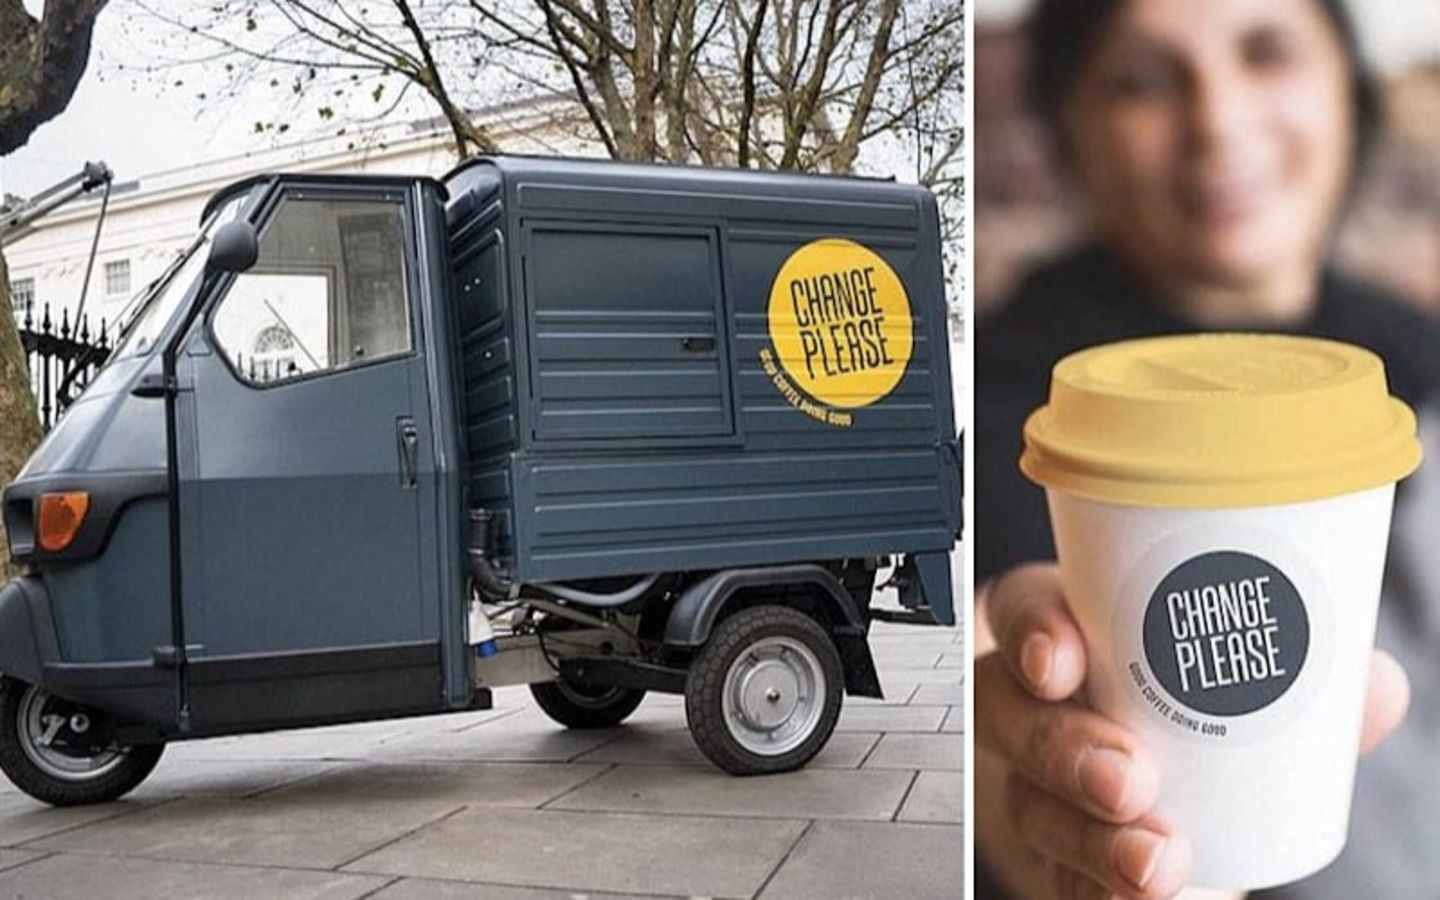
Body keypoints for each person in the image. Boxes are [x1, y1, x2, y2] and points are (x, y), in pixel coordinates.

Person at [973, 0, 1440, 897]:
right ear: (1070, 129)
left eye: (1267, 53)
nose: (1217, 123)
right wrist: (1036, 814)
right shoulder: (1018, 386)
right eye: (1143, 81)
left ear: (1347, 88)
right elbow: (1004, 657)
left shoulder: (1414, 346)